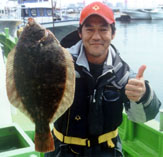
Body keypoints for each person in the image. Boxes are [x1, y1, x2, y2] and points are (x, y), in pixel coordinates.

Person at [45, 1, 161, 157]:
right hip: (62, 150)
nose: (96, 36)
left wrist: (143, 95)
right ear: (80, 33)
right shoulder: (59, 63)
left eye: (103, 29)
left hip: (108, 151)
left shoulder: (123, 73)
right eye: (90, 29)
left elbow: (142, 117)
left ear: (113, 34)